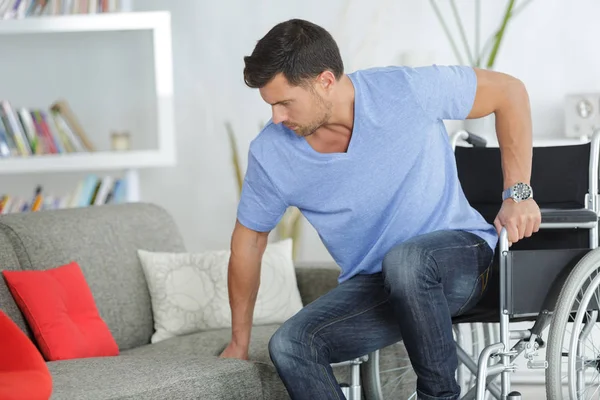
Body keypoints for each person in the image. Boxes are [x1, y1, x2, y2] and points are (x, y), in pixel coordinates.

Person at [219, 18, 541, 400]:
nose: (276, 117)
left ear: (324, 80)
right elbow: (248, 243)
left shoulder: (405, 90)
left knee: (407, 261)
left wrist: (518, 194)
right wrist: (239, 342)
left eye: (285, 102)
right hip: (378, 284)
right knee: (291, 344)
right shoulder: (272, 153)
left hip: (461, 261)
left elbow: (510, 92)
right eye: (271, 105)